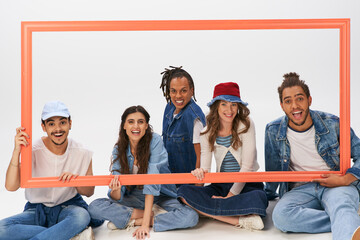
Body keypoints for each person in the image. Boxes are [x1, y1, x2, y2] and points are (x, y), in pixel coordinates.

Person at [265, 72, 360, 240]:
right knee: (280, 217)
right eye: (288, 101)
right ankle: (346, 219)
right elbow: (272, 170)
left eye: (299, 98)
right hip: (299, 189)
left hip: (335, 184)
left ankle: (345, 218)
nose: (294, 106)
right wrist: (266, 196)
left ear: (309, 100)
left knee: (342, 206)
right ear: (282, 105)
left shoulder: (333, 123)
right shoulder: (273, 130)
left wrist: (345, 179)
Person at [88, 105, 199, 240]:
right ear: (124, 126)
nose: (136, 126)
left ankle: (133, 220)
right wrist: (116, 190)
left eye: (140, 122)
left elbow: (151, 181)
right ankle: (147, 214)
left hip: (160, 196)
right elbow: (116, 196)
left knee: (191, 216)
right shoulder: (119, 149)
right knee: (94, 207)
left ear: (146, 125)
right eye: (131, 122)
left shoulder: (155, 141)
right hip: (133, 197)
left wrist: (145, 224)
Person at [0, 100, 102, 240]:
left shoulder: (82, 152)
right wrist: (16, 151)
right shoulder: (33, 150)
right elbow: (11, 186)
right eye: (51, 124)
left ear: (70, 123)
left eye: (62, 122)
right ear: (44, 127)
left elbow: (89, 192)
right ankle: (68, 233)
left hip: (69, 207)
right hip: (37, 210)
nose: (58, 129)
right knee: (1, 229)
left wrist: (75, 180)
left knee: (81, 216)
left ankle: (62, 232)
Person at [177, 82, 268, 230]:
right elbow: (205, 169)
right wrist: (199, 173)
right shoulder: (206, 132)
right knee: (182, 193)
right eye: (224, 104)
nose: (229, 110)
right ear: (216, 106)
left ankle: (207, 210)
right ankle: (239, 220)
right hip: (221, 183)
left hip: (246, 183)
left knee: (259, 197)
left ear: (238, 106)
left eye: (233, 104)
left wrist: (229, 197)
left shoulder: (246, 124)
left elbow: (248, 166)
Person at [160, 66, 206, 175]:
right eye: (173, 91)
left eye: (183, 91)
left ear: (191, 91)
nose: (178, 96)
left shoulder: (194, 118)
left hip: (186, 184)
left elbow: (201, 157)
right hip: (168, 180)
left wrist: (197, 188)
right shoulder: (169, 107)